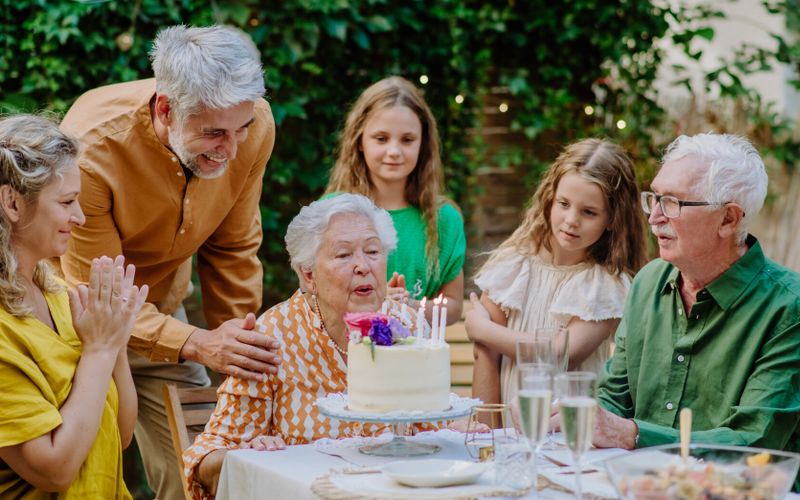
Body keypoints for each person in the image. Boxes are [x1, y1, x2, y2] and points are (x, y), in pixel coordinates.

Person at [58, 25, 281, 499]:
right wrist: (200, 343)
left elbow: (234, 249)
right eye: (214, 133)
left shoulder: (253, 123)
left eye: (241, 130)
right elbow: (100, 293)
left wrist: (238, 354)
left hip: (166, 322)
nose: (232, 149)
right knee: (82, 480)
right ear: (165, 108)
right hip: (72, 329)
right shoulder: (91, 148)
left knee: (203, 475)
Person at [183, 194, 435, 498]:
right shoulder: (273, 335)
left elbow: (433, 438)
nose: (363, 266)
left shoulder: (409, 326)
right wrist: (250, 458)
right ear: (309, 275)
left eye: (373, 251)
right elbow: (205, 463)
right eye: (343, 255)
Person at [589, 133, 800, 478]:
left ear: (728, 219)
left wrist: (634, 434)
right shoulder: (648, 282)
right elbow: (615, 396)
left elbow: (754, 442)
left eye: (672, 203)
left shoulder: (789, 308)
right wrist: (581, 417)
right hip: (638, 486)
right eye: (654, 199)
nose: (654, 217)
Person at [0, 114, 148, 497]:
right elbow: (55, 470)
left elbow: (122, 433)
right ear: (11, 202)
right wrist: (98, 350)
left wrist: (113, 339)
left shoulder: (58, 295)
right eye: (67, 201)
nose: (80, 218)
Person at [465, 139, 648, 405]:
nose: (571, 220)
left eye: (588, 212)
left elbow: (562, 353)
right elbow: (486, 355)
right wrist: (487, 434)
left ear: (612, 219)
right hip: (504, 430)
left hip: (569, 434)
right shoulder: (513, 265)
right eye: (564, 204)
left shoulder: (605, 285)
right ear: (550, 199)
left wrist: (481, 328)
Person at [324, 76, 466, 325]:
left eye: (407, 140)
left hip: (416, 359)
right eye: (381, 138)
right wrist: (372, 302)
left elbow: (453, 306)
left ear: (423, 144)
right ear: (359, 141)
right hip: (348, 360)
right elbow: (314, 297)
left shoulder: (445, 219)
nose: (394, 151)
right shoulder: (333, 213)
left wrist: (412, 308)